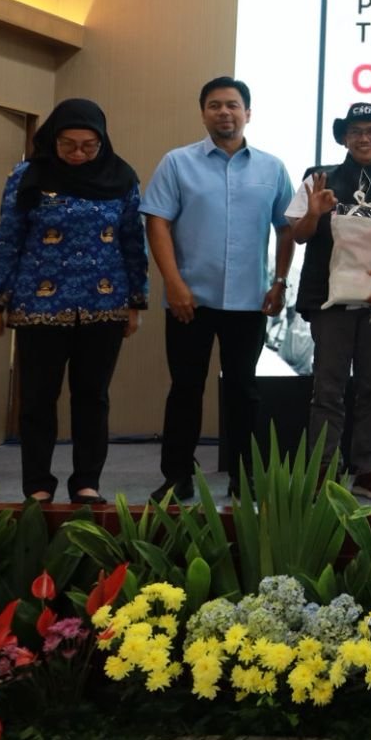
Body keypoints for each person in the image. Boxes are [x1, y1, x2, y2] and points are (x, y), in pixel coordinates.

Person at [0, 100, 148, 504]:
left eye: (89, 146)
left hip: (104, 305)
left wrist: (136, 303)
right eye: (68, 144)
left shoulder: (122, 178)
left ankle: (87, 482)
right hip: (39, 306)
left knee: (92, 399)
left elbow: (132, 242)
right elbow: (8, 240)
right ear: (52, 139)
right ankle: (37, 485)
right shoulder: (27, 176)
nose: (78, 154)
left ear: (102, 141)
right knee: (37, 400)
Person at [141, 78, 295, 502]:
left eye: (232, 105)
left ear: (248, 113)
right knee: (185, 389)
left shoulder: (271, 168)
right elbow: (157, 223)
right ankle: (177, 476)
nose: (224, 112)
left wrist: (280, 281)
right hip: (189, 299)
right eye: (214, 105)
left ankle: (244, 478)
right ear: (203, 113)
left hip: (249, 301)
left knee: (244, 391)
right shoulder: (177, 163)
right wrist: (174, 284)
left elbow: (287, 228)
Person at [286, 102, 371, 500]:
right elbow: (299, 235)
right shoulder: (318, 177)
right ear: (344, 137)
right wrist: (314, 213)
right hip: (330, 299)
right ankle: (323, 469)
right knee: (328, 388)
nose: (365, 138)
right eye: (356, 131)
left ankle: (368, 470)